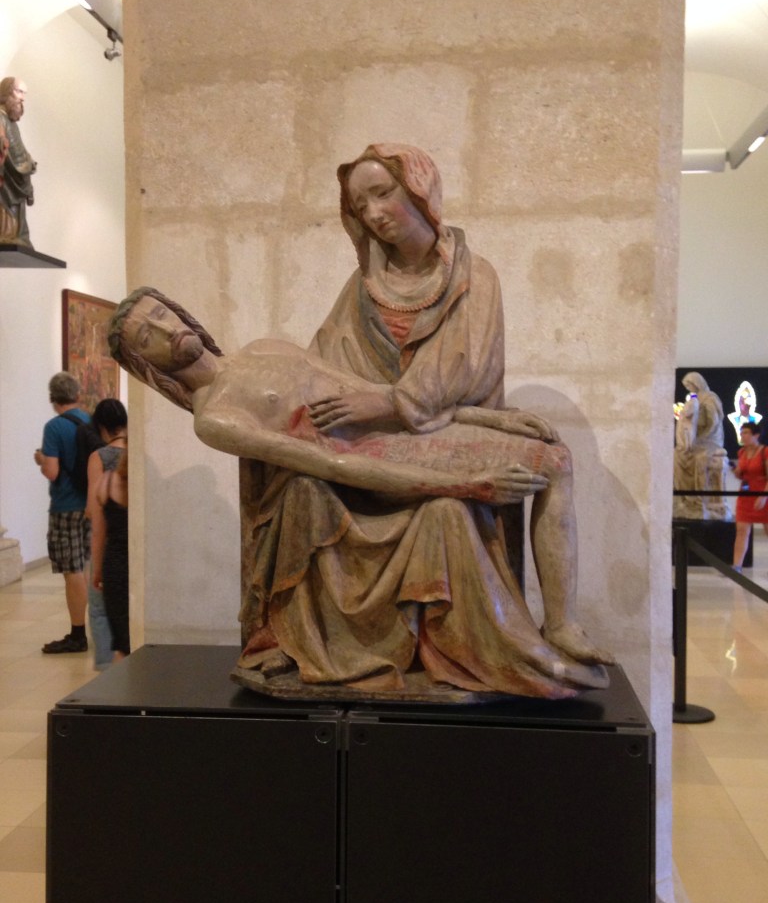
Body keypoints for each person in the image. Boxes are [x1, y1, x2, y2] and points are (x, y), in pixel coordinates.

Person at [109, 285, 609, 698]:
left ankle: (561, 624)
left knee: (555, 458)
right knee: (546, 465)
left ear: (180, 311)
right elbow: (332, 465)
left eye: (161, 315)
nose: (167, 331)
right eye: (147, 337)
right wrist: (469, 485)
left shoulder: (264, 348)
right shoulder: (216, 418)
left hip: (405, 434)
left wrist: (484, 418)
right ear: (144, 364)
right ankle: (542, 637)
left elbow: (369, 394)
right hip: (375, 469)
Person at [34, 372, 90, 653]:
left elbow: (52, 471)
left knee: (72, 569)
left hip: (66, 505)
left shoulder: (54, 427)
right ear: (78, 395)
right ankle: (101, 629)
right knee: (89, 566)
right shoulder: (90, 421)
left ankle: (77, 634)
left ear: (52, 399)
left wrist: (41, 459)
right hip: (92, 505)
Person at [84, 399, 128, 669]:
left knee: (99, 609)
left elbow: (93, 510)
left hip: (113, 550)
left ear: (101, 426)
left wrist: (97, 567)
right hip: (136, 550)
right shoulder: (136, 454)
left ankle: (104, 668)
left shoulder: (99, 457)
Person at [673, 370, 730, 520]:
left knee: (699, 458)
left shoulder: (711, 398)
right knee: (678, 455)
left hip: (711, 440)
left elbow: (713, 423)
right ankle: (685, 499)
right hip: (698, 439)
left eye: (690, 385)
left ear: (697, 383)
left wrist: (699, 434)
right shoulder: (695, 399)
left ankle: (699, 499)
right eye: (687, 387)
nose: (689, 389)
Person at [91, 443, 130, 659]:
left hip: (114, 565)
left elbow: (98, 533)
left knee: (123, 644)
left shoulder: (105, 481)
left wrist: (97, 570)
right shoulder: (147, 484)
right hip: (143, 567)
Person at [0, 77, 36, 248]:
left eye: (24, 94)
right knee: (6, 214)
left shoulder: (12, 122)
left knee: (17, 215)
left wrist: (27, 161)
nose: (22, 98)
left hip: (17, 177)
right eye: (19, 92)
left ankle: (16, 236)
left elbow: (18, 148)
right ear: (6, 92)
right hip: (6, 180)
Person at [732, 422, 768, 572]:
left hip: (763, 494)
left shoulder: (765, 451)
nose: (743, 436)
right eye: (742, 433)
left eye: (746, 433)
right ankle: (737, 567)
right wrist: (735, 471)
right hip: (746, 495)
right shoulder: (741, 452)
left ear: (756, 435)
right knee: (741, 530)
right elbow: (742, 475)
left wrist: (763, 496)